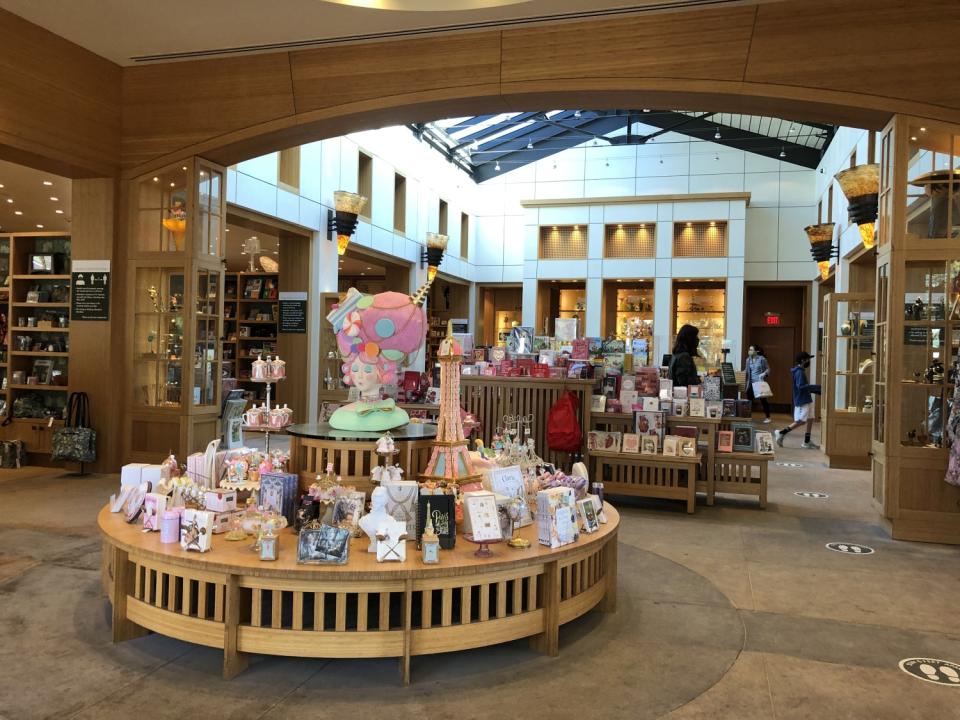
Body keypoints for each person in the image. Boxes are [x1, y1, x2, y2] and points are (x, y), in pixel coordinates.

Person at [775, 351, 822, 448]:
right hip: (802, 400)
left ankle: (807, 441)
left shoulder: (800, 371)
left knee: (810, 418)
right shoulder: (799, 372)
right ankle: (781, 432)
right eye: (808, 359)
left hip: (806, 398)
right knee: (801, 420)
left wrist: (816, 389)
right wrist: (816, 388)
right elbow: (800, 386)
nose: (809, 361)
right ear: (803, 360)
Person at [744, 345, 772, 423]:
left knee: (763, 400)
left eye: (751, 349)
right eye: (749, 349)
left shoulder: (762, 359)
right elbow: (746, 370)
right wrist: (741, 373)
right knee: (749, 401)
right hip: (750, 383)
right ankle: (748, 417)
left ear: (757, 351)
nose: (749, 351)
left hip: (759, 383)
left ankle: (768, 417)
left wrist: (764, 374)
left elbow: (768, 369)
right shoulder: (748, 360)